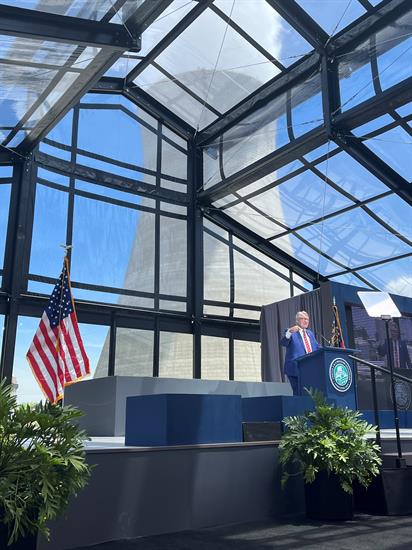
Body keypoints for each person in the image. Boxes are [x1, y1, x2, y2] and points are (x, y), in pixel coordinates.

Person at [280, 311, 320, 395]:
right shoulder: (291, 331)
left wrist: (329, 348)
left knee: (309, 394)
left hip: (309, 368)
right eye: (303, 319)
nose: (305, 321)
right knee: (298, 393)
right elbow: (283, 343)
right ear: (297, 320)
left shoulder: (310, 333)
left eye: (307, 319)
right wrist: (289, 332)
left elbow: (317, 347)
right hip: (295, 368)